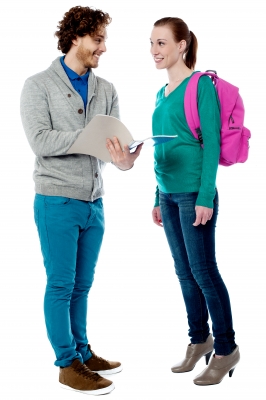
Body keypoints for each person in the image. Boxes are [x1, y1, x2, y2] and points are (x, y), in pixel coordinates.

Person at [20, 6, 142, 396]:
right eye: (98, 39)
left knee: (82, 285)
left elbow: (114, 152)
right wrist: (87, 138)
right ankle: (66, 364)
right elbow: (40, 140)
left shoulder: (107, 89)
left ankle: (83, 353)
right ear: (76, 37)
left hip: (94, 202)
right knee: (60, 284)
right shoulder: (38, 85)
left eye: (104, 40)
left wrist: (125, 159)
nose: (103, 48)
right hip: (55, 200)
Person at [150, 17, 240, 386]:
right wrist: (157, 196)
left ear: (182, 45)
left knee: (204, 272)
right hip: (168, 195)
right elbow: (162, 147)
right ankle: (198, 339)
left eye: (161, 43)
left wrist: (205, 196)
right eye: (151, 44)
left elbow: (213, 144)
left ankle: (225, 348)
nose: (154, 51)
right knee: (184, 273)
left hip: (193, 194)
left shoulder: (200, 84)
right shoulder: (161, 94)